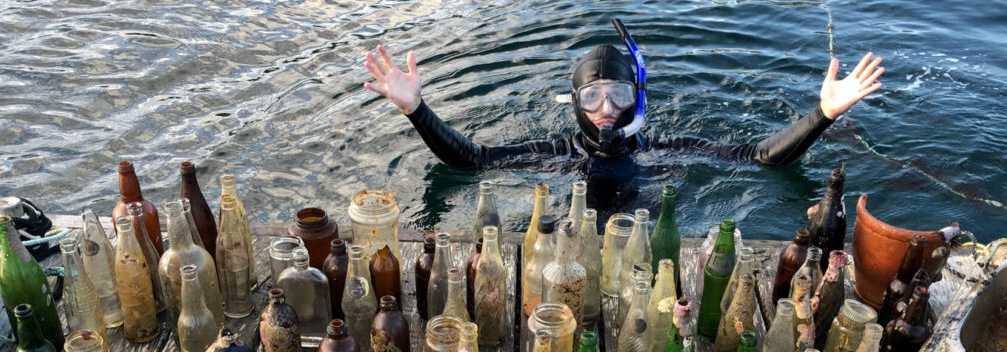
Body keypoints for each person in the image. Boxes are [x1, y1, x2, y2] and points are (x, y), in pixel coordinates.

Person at [363, 21, 882, 173]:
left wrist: (823, 113)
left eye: (617, 94)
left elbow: (757, 157)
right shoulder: (556, 155)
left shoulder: (661, 149)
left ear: (637, 99)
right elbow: (473, 159)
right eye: (592, 96)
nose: (606, 109)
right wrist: (416, 110)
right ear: (575, 104)